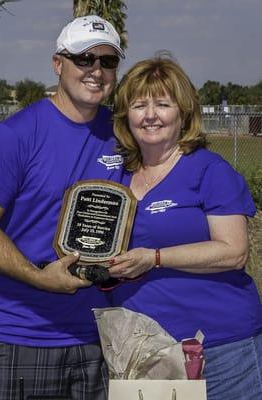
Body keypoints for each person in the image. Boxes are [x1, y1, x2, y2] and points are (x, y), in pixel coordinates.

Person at [0, 15, 125, 400]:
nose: (96, 70)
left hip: (103, 337)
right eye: (84, 59)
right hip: (26, 333)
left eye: (108, 61)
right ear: (58, 64)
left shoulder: (124, 133)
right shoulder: (16, 135)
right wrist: (40, 278)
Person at [108, 52, 262, 400]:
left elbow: (233, 251)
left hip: (219, 349)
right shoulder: (116, 177)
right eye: (138, 105)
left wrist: (154, 258)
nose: (150, 116)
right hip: (141, 350)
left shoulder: (209, 171)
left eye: (162, 104)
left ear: (183, 113)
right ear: (125, 115)